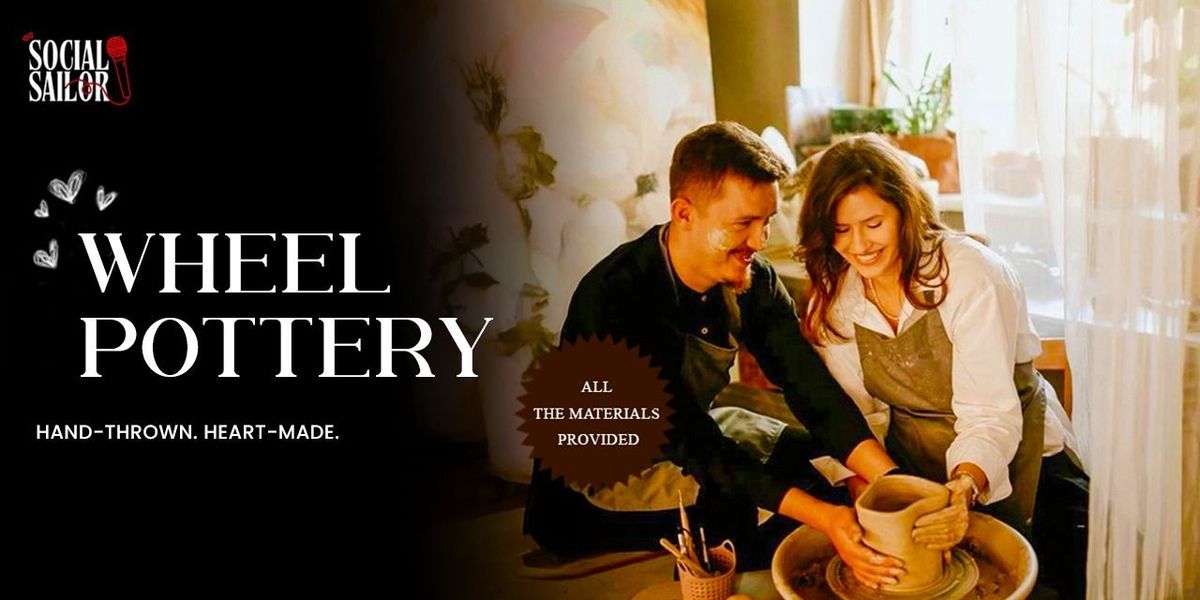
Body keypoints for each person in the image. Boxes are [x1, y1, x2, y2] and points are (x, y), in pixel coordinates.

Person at [524, 122, 909, 582]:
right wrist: (826, 517)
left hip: (693, 434)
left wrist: (892, 483)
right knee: (787, 513)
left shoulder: (750, 276)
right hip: (605, 477)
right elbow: (697, 445)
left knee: (825, 462)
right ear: (684, 213)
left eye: (766, 221)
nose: (759, 241)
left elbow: (809, 386)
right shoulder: (614, 297)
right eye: (743, 224)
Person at [796, 133, 1089, 599]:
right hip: (906, 463)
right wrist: (874, 499)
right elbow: (853, 421)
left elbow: (988, 413)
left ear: (904, 210)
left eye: (873, 223)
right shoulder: (838, 299)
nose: (859, 245)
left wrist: (962, 489)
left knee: (1054, 579)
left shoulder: (969, 274)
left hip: (1019, 452)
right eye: (841, 230)